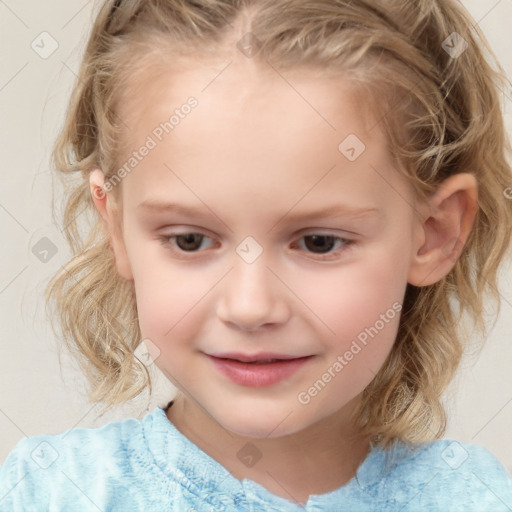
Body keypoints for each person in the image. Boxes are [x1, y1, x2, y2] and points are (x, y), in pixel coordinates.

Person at [1, 0, 512, 510]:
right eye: (190, 240)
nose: (250, 307)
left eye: (319, 242)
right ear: (117, 228)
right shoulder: (49, 494)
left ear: (434, 233)